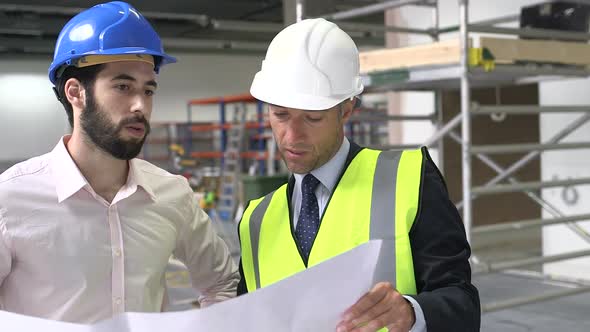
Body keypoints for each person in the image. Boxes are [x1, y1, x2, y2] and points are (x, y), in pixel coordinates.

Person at [0, 1, 238, 323]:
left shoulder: (171, 195)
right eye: (123, 87)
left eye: (149, 90)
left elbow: (222, 283)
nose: (140, 105)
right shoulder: (10, 200)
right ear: (76, 93)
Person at [237, 18, 480, 332]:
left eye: (312, 118)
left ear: (347, 110)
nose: (291, 136)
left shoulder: (408, 179)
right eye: (280, 114)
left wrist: (412, 312)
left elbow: (463, 305)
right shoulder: (255, 221)